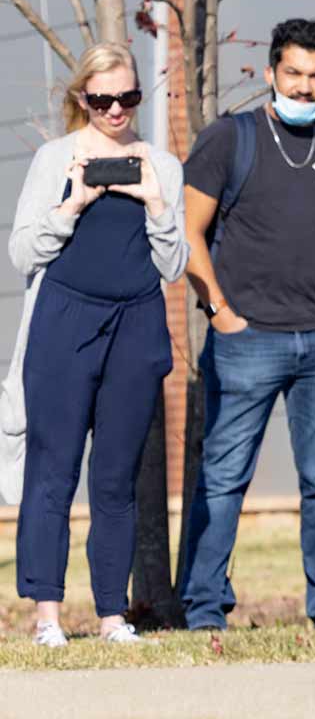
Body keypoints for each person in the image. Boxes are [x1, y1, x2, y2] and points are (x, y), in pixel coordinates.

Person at [177, 18, 315, 631]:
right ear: (269, 73)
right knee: (224, 478)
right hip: (246, 340)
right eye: (294, 73)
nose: (306, 87)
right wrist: (222, 316)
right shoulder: (228, 140)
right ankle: (205, 609)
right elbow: (187, 234)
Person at [3, 44, 185, 646]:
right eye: (102, 99)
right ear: (83, 98)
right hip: (64, 322)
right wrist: (73, 202)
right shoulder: (57, 157)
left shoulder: (160, 162)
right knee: (52, 472)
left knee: (115, 477)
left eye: (127, 98)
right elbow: (23, 253)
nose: (114, 110)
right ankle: (48, 618)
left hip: (135, 323)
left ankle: (113, 615)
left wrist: (155, 200)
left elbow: (175, 262)